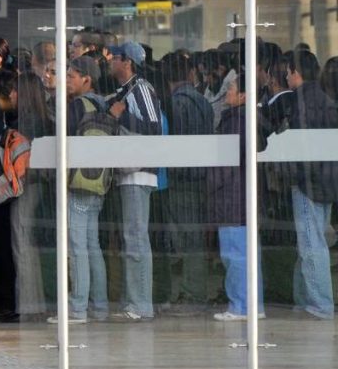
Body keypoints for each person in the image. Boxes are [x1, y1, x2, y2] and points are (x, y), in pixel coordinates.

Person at [49, 56, 111, 324]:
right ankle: (100, 305)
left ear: (87, 79)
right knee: (92, 246)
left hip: (77, 183)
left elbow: (64, 143)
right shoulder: (103, 104)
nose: (66, 81)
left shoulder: (77, 106)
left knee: (77, 248)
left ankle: (77, 308)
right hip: (98, 183)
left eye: (71, 76)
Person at [107, 41, 162, 322]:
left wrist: (122, 115)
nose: (110, 60)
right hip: (130, 173)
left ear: (127, 61)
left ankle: (141, 304)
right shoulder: (126, 90)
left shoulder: (141, 88)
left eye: (114, 56)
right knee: (132, 237)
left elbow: (153, 128)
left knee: (136, 237)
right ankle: (134, 301)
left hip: (139, 172)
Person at [0, 70, 51, 322]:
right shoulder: (46, 119)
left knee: (22, 245)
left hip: (25, 186)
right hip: (38, 186)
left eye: (15, 90)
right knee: (28, 246)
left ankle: (27, 304)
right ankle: (33, 301)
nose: (11, 95)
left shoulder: (24, 123)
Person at [209, 75, 268, 321]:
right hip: (245, 198)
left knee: (235, 255)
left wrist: (210, 184)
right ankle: (254, 305)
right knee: (248, 255)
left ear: (244, 95)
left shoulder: (236, 122)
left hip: (232, 198)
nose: (227, 92)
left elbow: (225, 164)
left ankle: (241, 307)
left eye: (231, 88)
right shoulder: (251, 121)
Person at [159, 52, 215, 316]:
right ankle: (194, 292)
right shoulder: (203, 102)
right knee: (195, 238)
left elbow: (172, 146)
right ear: (190, 72)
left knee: (188, 240)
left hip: (181, 180)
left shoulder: (173, 104)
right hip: (202, 177)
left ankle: (193, 295)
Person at [286, 50, 338, 320]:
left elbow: (298, 143)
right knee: (313, 241)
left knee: (311, 244)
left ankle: (319, 305)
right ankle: (305, 299)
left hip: (308, 182)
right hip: (327, 180)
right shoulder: (326, 99)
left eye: (287, 72)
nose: (286, 77)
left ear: (295, 73)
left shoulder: (300, 101)